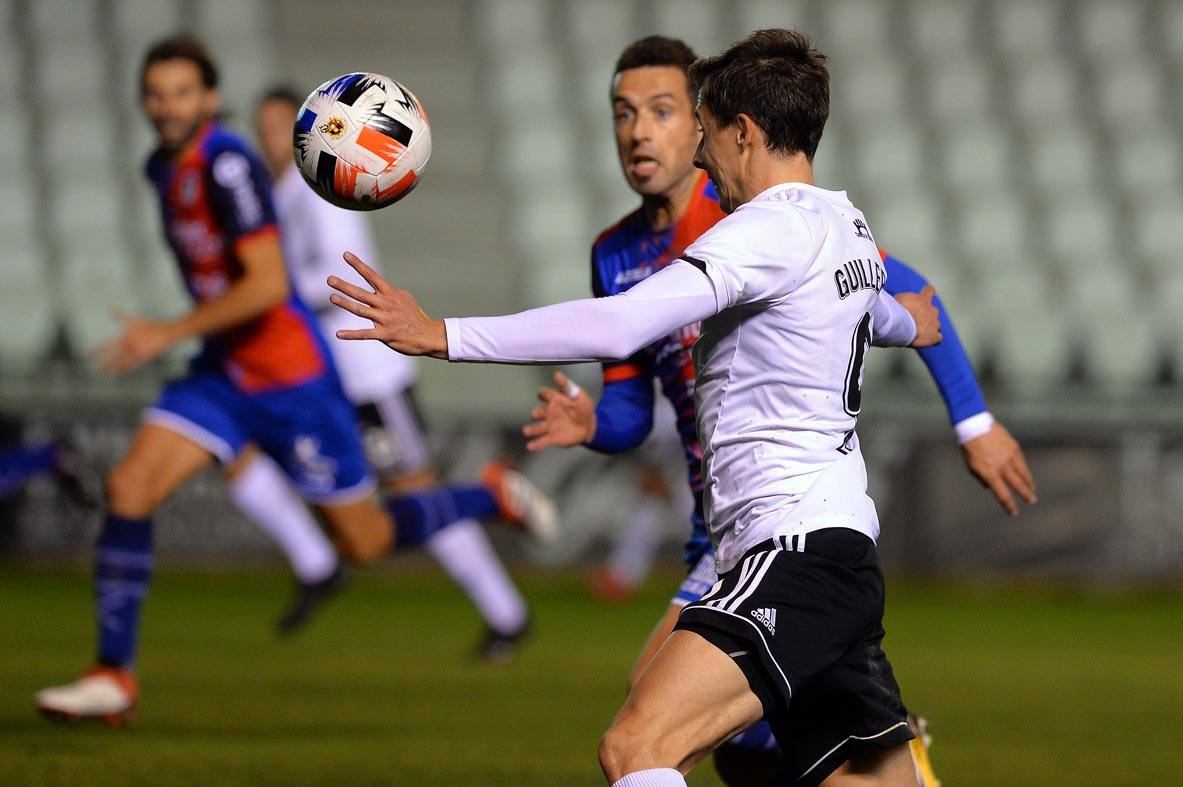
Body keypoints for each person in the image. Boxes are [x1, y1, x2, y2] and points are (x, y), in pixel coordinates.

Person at [328, 27, 950, 785]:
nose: (700, 155)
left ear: (743, 132)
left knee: (637, 746)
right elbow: (869, 307)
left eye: (708, 133)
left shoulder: (762, 229)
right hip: (833, 551)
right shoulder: (841, 222)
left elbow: (622, 321)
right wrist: (908, 320)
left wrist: (441, 335)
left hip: (789, 553)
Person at [521, 34, 1037, 786]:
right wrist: (595, 424)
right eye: (623, 111)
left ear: (714, 127)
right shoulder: (615, 253)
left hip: (778, 518)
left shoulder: (751, 215)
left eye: (666, 111)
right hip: (723, 517)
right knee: (740, 748)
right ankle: (887, 755)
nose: (641, 130)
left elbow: (902, 294)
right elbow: (632, 405)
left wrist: (973, 421)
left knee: (647, 730)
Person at [32, 35, 545, 727]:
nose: (166, 107)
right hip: (223, 371)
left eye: (182, 92)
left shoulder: (230, 167)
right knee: (130, 487)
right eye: (155, 93)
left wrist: (170, 330)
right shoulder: (165, 166)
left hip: (293, 377)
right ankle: (112, 673)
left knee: (363, 540)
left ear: (210, 101)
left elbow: (272, 284)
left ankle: (483, 497)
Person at [249, 86, 541, 654]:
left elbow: (341, 274)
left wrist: (270, 293)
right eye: (261, 127)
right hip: (327, 373)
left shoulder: (322, 189)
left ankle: (506, 612)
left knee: (415, 491)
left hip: (367, 371)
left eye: (280, 125)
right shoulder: (283, 194)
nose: (268, 138)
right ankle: (318, 564)